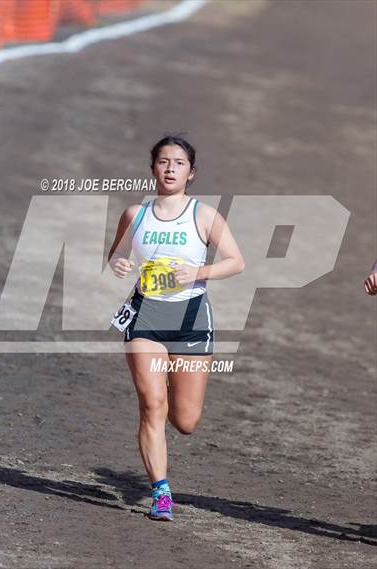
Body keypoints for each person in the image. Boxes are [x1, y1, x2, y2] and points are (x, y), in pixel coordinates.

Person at [108, 134, 245, 521]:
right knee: (152, 406)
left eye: (179, 163)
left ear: (191, 173)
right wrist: (118, 262)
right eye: (164, 162)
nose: (170, 168)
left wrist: (199, 271)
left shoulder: (204, 216)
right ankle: (161, 493)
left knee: (184, 421)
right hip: (145, 317)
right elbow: (117, 252)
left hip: (190, 321)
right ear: (153, 168)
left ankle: (170, 380)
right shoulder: (136, 214)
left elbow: (236, 261)